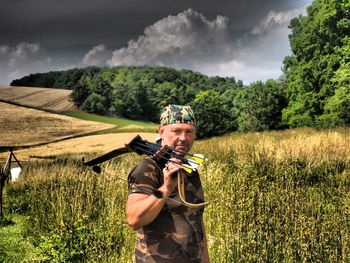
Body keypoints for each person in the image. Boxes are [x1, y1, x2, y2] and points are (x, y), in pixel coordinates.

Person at [126, 104, 210, 263]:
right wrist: (166, 187)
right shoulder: (148, 168)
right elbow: (134, 219)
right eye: (176, 131)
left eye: (189, 132)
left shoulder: (189, 169)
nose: (183, 138)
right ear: (161, 131)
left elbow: (196, 221)